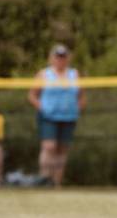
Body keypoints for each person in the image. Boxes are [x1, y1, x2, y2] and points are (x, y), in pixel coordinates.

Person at [28, 44, 86, 188]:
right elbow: (32, 95)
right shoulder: (44, 74)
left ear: (68, 58)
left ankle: (57, 182)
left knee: (62, 149)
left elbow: (82, 96)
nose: (61, 60)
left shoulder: (74, 74)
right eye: (58, 56)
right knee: (49, 146)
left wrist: (77, 108)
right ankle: (45, 178)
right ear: (52, 58)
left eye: (63, 57)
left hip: (68, 117)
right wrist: (43, 108)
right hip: (49, 116)